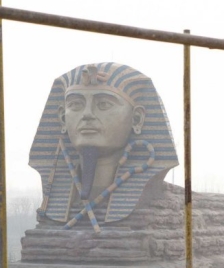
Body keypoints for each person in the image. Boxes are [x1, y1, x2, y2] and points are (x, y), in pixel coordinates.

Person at [30, 62, 179, 229]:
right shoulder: (51, 210)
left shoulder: (151, 215)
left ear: (137, 119)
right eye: (75, 105)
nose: (87, 114)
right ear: (62, 119)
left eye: (104, 104)